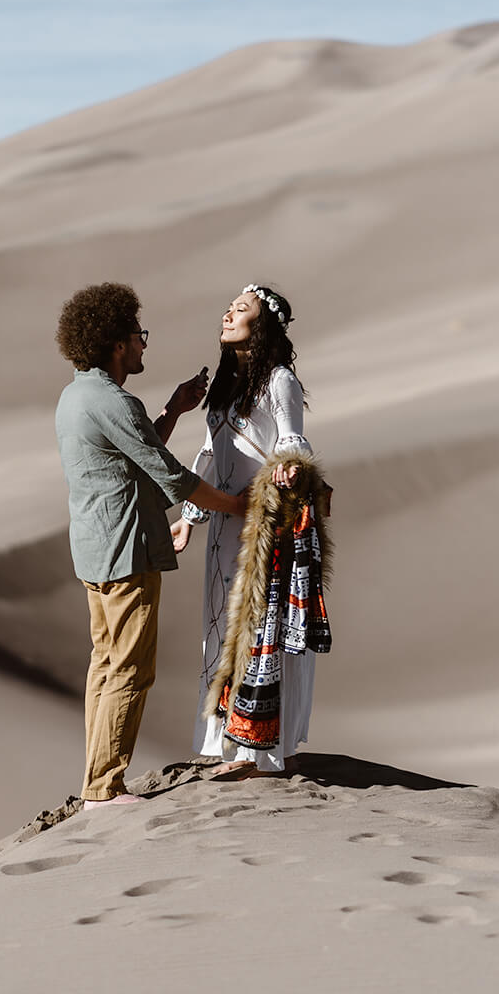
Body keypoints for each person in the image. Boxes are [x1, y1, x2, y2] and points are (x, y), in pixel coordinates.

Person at [54, 282, 248, 808]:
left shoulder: (77, 396)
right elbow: (173, 480)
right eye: (138, 337)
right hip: (126, 551)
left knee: (106, 665)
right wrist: (236, 506)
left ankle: (97, 780)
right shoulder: (115, 401)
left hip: (97, 550)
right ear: (116, 343)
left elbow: (131, 454)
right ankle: (104, 789)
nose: (144, 345)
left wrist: (174, 410)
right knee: (132, 670)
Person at [170, 283, 319, 775]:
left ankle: (264, 749)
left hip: (262, 528)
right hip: (221, 529)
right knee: (220, 631)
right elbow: (212, 454)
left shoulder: (279, 381)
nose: (228, 313)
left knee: (258, 632)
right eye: (229, 308)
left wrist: (289, 465)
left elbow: (294, 438)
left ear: (264, 325)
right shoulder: (228, 386)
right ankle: (227, 742)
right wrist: (190, 519)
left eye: (242, 309)